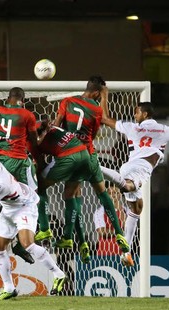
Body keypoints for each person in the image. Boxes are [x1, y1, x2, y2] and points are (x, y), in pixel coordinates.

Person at [99, 99, 169, 266]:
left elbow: (104, 118)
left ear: (145, 114)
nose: (134, 114)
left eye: (137, 112)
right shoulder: (165, 130)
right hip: (141, 168)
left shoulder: (131, 127)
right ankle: (94, 165)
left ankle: (126, 252)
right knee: (130, 186)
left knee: (136, 208)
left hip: (128, 166)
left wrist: (104, 95)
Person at [0, 151, 66, 300]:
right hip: (8, 209)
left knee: (27, 244)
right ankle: (9, 288)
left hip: (24, 207)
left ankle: (58, 274)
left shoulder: (2, 184)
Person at [45, 77, 131, 260]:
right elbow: (98, 130)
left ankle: (68, 236)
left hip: (71, 153)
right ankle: (118, 233)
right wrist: (105, 98)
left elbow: (56, 125)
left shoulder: (67, 101)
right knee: (102, 192)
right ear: (98, 93)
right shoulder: (97, 109)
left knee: (70, 194)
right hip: (90, 154)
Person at [0, 87, 38, 264]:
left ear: (7, 98)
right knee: (33, 198)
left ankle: (10, 237)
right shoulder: (27, 114)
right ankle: (23, 242)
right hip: (18, 160)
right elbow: (34, 141)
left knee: (10, 201)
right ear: (23, 99)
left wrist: (1, 134)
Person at [35, 119, 94, 263]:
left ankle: (44, 228)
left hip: (68, 158)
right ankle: (80, 242)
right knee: (72, 196)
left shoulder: (37, 139)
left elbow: (40, 162)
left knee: (39, 187)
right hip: (84, 156)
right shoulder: (56, 129)